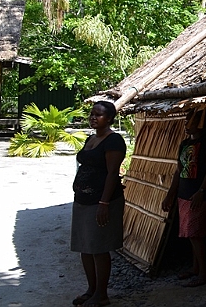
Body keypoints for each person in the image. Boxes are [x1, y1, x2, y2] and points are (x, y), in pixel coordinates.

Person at [70, 101, 126, 307]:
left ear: (109, 119)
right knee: (85, 247)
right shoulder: (91, 138)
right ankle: (91, 290)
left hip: (102, 201)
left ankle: (101, 295)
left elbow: (112, 174)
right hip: (83, 201)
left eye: (99, 115)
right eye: (92, 114)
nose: (93, 117)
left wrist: (104, 202)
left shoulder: (114, 141)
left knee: (99, 248)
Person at [162, 111, 206, 287]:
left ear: (200, 123)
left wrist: (202, 191)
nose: (186, 124)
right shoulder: (185, 144)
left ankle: (203, 273)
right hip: (185, 193)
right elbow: (178, 170)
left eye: (190, 121)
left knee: (196, 233)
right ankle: (196, 268)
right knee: (190, 233)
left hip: (198, 194)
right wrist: (170, 194)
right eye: (186, 120)